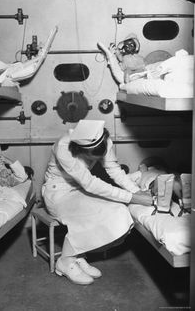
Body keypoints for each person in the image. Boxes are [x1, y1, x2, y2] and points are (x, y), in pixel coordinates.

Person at [42, 119, 153, 285]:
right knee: (97, 213)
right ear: (79, 149)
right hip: (58, 193)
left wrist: (137, 191)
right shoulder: (63, 146)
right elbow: (90, 183)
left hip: (80, 191)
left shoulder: (104, 139)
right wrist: (133, 198)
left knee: (119, 211)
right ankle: (65, 262)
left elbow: (114, 170)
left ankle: (78, 254)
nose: (99, 158)